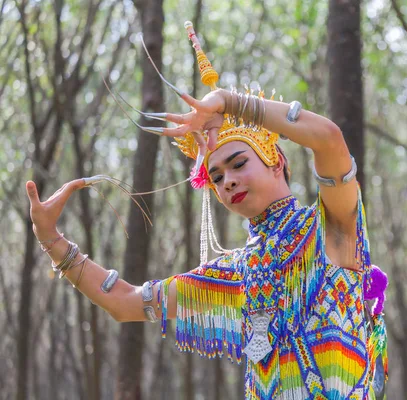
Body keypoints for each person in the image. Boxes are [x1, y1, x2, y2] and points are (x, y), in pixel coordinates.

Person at [25, 22, 387, 400]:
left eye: (237, 164)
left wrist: (232, 103)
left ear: (275, 161)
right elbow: (125, 302)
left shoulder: (331, 231)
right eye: (215, 176)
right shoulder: (234, 274)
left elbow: (329, 140)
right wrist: (51, 240)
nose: (227, 181)